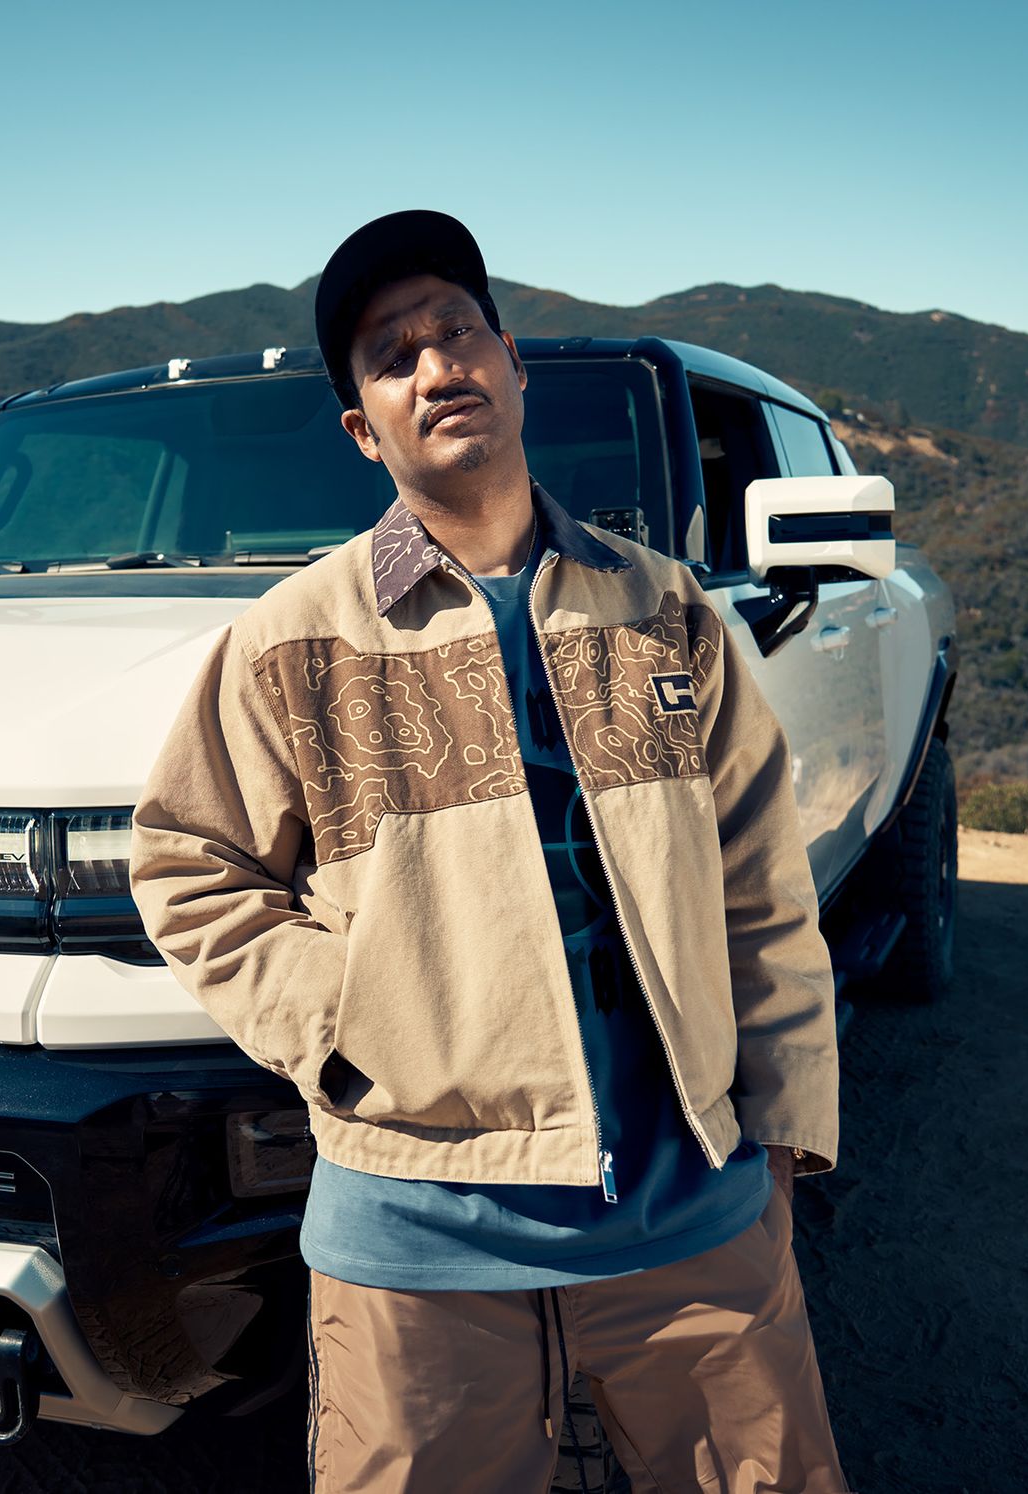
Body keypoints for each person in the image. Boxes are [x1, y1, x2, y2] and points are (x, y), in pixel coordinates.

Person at [129, 209, 849, 1493]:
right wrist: (349, 1022)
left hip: (690, 1208)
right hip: (415, 1227)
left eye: (455, 331)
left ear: (512, 364)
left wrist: (783, 1130)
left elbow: (759, 886)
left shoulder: (664, 608)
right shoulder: (293, 637)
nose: (435, 364)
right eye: (392, 355)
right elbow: (188, 863)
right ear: (364, 428)